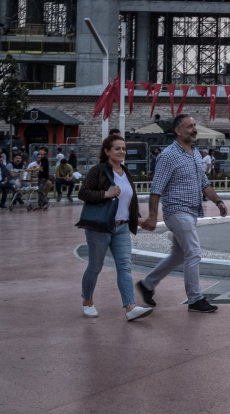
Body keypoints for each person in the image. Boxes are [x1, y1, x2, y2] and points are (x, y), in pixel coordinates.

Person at [136, 114, 228, 313]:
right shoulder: (169, 155)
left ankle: (147, 284)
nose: (194, 129)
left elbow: (204, 182)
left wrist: (218, 201)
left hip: (191, 212)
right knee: (193, 252)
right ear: (178, 131)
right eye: (189, 126)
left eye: (195, 125)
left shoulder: (195, 153)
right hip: (176, 211)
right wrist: (152, 216)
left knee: (178, 255)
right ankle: (195, 299)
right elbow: (156, 187)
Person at [78, 134, 153, 321]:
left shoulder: (125, 171)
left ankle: (130, 307)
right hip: (100, 228)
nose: (122, 152)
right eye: (117, 148)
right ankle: (87, 301)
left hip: (121, 228)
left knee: (124, 267)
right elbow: (83, 192)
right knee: (95, 267)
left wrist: (136, 219)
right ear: (107, 151)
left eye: (124, 148)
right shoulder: (99, 171)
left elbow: (129, 200)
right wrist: (106, 193)